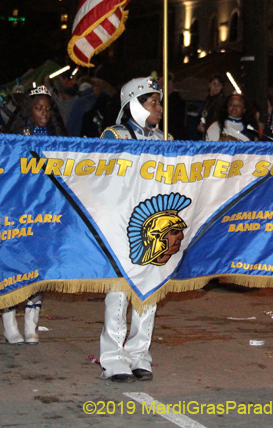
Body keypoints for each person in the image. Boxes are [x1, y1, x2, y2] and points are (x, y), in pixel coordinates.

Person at [99, 77, 166, 383]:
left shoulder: (166, 139)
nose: (160, 108)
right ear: (135, 104)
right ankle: (113, 357)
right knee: (119, 293)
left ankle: (140, 353)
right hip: (122, 225)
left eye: (160, 102)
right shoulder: (113, 135)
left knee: (149, 293)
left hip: (156, 225)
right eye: (153, 102)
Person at [1, 85, 66, 345]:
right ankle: (9, 322)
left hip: (45, 209)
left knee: (39, 266)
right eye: (39, 108)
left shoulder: (57, 136)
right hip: (18, 208)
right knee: (14, 266)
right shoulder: (16, 135)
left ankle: (31, 324)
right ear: (29, 109)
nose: (44, 114)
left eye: (48, 109)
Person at [196, 74, 226, 138]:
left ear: (222, 87)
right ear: (209, 85)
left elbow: (219, 120)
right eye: (214, 84)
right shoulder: (208, 99)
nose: (216, 87)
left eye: (219, 85)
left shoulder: (222, 101)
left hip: (215, 133)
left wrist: (206, 128)